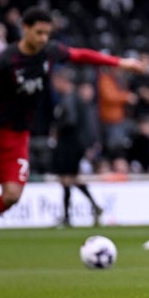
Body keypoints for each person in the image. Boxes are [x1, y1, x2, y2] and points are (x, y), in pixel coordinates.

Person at [0, 6, 147, 271]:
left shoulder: (50, 53)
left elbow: (82, 56)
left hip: (17, 136)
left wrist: (119, 63)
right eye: (38, 32)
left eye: (47, 33)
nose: (43, 38)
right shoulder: (4, 61)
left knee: (12, 195)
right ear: (25, 28)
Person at [50, 67, 104, 228]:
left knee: (66, 179)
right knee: (69, 179)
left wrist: (57, 128)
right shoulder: (75, 98)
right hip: (74, 144)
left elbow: (70, 121)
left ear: (61, 80)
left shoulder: (70, 98)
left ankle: (69, 216)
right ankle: (92, 207)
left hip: (70, 144)